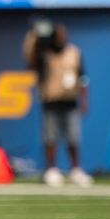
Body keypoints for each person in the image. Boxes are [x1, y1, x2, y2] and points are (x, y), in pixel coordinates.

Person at [23, 20, 93, 188]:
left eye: (64, 34)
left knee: (73, 138)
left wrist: (84, 99)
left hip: (70, 101)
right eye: (59, 34)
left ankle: (75, 170)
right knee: (50, 138)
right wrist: (33, 37)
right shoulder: (44, 54)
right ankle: (51, 170)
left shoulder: (74, 52)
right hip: (51, 102)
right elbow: (30, 60)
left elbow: (83, 77)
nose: (62, 37)